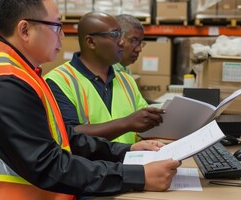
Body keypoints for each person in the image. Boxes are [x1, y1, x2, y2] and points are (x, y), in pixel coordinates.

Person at [0, 0, 181, 200]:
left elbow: (64, 138)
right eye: (56, 26)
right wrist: (136, 176)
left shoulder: (20, 72)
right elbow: (47, 164)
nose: (62, 36)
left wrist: (126, 151)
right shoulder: (2, 84)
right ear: (25, 29)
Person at [45, 12, 163, 144]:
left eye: (120, 34)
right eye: (114, 35)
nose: (122, 41)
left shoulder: (126, 80)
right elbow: (69, 135)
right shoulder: (59, 81)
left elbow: (142, 126)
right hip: (90, 164)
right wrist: (126, 123)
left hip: (130, 162)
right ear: (91, 42)